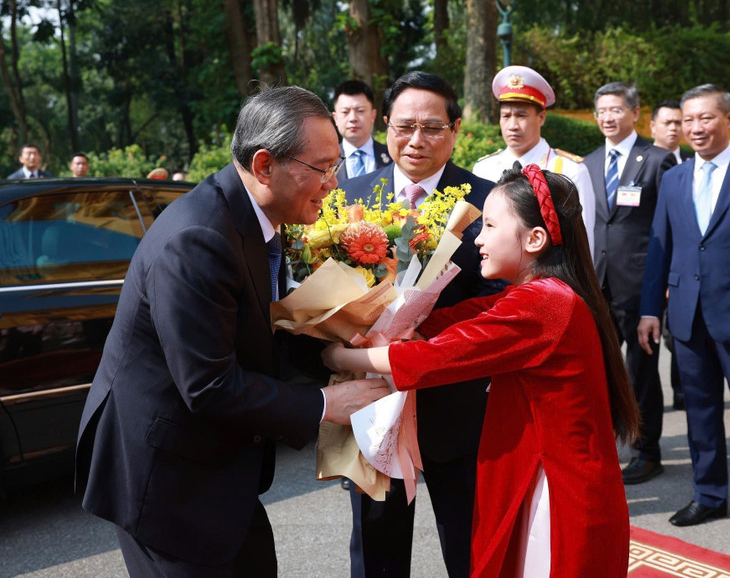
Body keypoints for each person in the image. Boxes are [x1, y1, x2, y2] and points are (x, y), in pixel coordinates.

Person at [74, 86, 390, 577]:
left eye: (337, 166)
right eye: (322, 168)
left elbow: (254, 326)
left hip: (217, 471)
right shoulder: (198, 240)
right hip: (166, 477)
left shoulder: (257, 214)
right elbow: (209, 385)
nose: (334, 183)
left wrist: (335, 353)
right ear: (265, 165)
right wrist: (329, 404)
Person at [324, 165, 639, 578]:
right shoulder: (538, 295)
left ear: (535, 238)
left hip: (555, 489)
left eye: (489, 225)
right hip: (548, 474)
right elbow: (448, 323)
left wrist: (338, 356)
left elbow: (435, 358)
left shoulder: (543, 303)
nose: (479, 238)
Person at [339, 71, 498, 578]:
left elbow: (501, 297)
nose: (416, 140)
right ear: (386, 125)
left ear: (456, 129)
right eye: (405, 126)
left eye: (432, 127)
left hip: (457, 401)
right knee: (376, 548)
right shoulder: (347, 194)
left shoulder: (488, 200)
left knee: (471, 545)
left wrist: (423, 339)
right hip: (372, 402)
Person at [638, 84, 730, 551]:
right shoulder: (675, 179)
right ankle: (708, 495)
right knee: (700, 415)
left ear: (728, 119)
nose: (695, 128)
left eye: (705, 118)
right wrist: (649, 309)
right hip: (686, 318)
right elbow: (659, 248)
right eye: (688, 120)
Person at [585, 82, 676, 485]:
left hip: (640, 288)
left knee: (640, 372)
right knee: (597, 370)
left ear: (635, 113)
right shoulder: (585, 165)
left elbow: (670, 229)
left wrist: (664, 288)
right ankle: (602, 444)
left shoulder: (658, 161)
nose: (608, 117)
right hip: (595, 287)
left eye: (615, 110)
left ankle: (647, 451)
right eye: (601, 111)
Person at [473, 65, 596, 255]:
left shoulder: (569, 170)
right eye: (506, 116)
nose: (512, 125)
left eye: (521, 115)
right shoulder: (483, 169)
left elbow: (583, 244)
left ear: (542, 117)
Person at [650, 99, 691, 410]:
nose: (674, 129)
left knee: (681, 331)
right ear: (653, 126)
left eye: (679, 123)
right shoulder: (645, 163)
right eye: (668, 123)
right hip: (649, 269)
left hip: (685, 270)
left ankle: (683, 389)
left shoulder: (693, 163)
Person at [332, 79, 391, 181]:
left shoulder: (392, 156)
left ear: (373, 115)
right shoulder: (326, 162)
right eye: (345, 112)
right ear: (335, 118)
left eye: (360, 111)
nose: (353, 118)